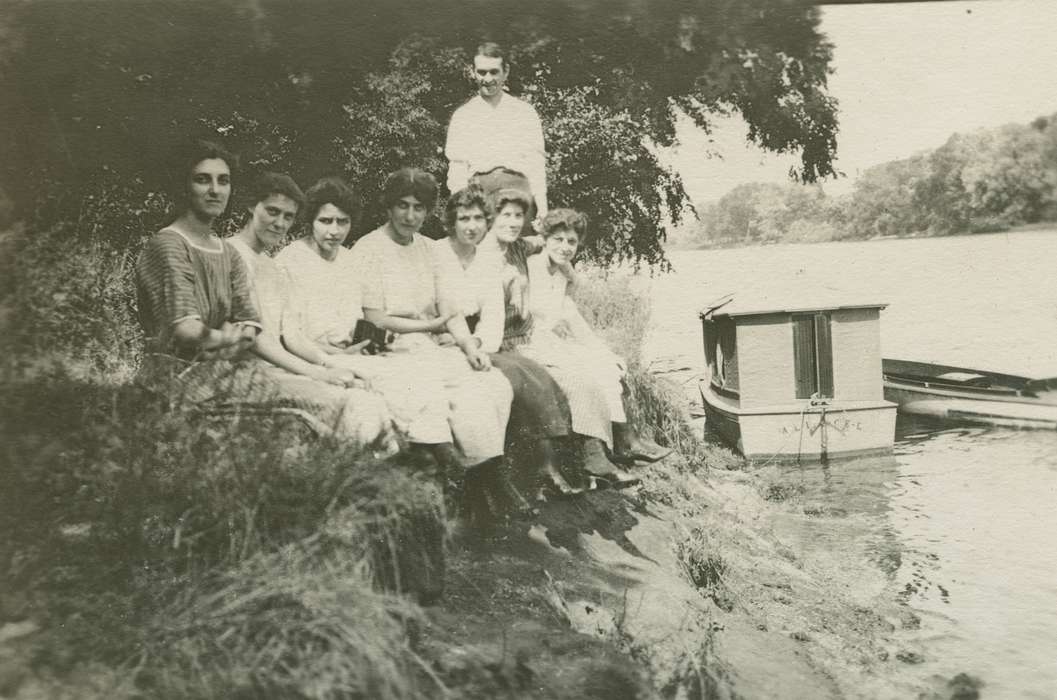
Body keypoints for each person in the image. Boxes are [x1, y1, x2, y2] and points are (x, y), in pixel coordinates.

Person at [134, 142, 389, 445]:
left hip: (230, 372)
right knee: (344, 406)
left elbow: (251, 327)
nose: (215, 190)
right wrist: (231, 337)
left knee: (360, 400)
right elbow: (189, 330)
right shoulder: (170, 245)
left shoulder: (224, 250)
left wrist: (235, 335)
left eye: (223, 181)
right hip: (183, 379)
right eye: (203, 179)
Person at [343, 169, 526, 521]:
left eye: (418, 208)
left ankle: (486, 472)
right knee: (429, 385)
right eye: (403, 206)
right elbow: (376, 318)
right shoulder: (369, 249)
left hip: (430, 343)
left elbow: (450, 309)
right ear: (389, 207)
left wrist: (469, 345)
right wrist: (430, 326)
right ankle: (466, 472)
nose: (410, 216)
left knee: (490, 383)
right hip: (389, 346)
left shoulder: (430, 250)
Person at [483, 192, 639, 488]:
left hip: (528, 336)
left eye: (518, 217)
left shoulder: (520, 248)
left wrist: (570, 270)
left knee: (597, 371)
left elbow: (549, 243)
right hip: (507, 340)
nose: (513, 223)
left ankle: (606, 452)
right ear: (490, 219)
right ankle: (595, 456)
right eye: (506, 216)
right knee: (577, 378)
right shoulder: (483, 254)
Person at [435, 185, 582, 500]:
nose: (472, 226)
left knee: (533, 372)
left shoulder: (503, 255)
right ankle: (502, 477)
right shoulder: (437, 254)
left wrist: (480, 344)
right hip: (441, 337)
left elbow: (491, 316)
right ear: (452, 221)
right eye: (464, 219)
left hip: (482, 338)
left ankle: (547, 465)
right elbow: (438, 306)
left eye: (478, 218)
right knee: (510, 377)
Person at [528, 208, 672, 465]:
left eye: (571, 241)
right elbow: (526, 311)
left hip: (554, 341)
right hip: (532, 341)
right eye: (558, 240)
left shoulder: (561, 273)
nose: (565, 247)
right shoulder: (531, 268)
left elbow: (573, 320)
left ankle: (625, 441)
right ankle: (599, 451)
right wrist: (550, 321)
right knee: (587, 373)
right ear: (545, 239)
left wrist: (606, 354)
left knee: (607, 366)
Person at [444, 42, 547, 228]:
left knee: (519, 253)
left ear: (506, 72)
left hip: (518, 195)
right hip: (480, 195)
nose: (488, 79)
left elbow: (536, 165)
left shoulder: (524, 112)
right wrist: (462, 209)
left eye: (494, 72)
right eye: (482, 72)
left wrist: (543, 210)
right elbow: (457, 170)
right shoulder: (463, 115)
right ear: (472, 72)